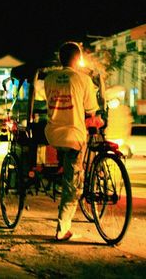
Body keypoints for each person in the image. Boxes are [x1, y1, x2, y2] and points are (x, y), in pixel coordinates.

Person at [44, 41, 99, 241]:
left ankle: (63, 172)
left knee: (68, 168)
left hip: (51, 135)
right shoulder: (83, 79)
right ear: (78, 59)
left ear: (60, 59)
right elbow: (91, 111)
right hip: (73, 137)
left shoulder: (48, 79)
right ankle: (62, 229)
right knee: (73, 185)